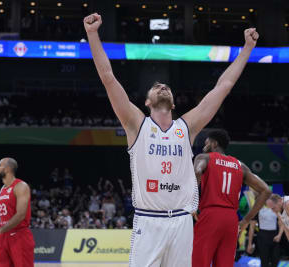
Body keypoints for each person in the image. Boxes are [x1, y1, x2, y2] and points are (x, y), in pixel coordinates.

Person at [83, 12, 258, 267]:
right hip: (148, 220)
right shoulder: (136, 124)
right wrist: (92, 35)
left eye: (165, 87)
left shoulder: (186, 127)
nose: (161, 86)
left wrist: (247, 49)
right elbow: (108, 78)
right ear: (146, 101)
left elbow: (224, 85)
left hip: (181, 222)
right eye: (155, 87)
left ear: (174, 102)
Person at [192, 130, 271, 267]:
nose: (204, 146)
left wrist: (192, 202)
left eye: (207, 143)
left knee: (199, 261)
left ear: (214, 143)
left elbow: (197, 171)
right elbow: (265, 190)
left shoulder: (204, 157)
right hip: (231, 219)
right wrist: (246, 219)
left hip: (211, 214)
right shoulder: (240, 165)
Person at [0, 158, 34, 267]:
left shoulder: (21, 186)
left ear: (7, 168)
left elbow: (20, 215)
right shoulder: (2, 189)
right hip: (3, 237)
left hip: (19, 236)